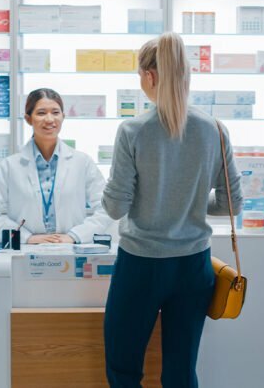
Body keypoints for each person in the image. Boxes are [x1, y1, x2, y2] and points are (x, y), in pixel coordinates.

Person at [102, 32, 243, 388]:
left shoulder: (133, 130)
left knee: (124, 368)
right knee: (181, 373)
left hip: (141, 265)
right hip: (194, 266)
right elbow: (231, 204)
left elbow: (116, 207)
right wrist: (190, 205)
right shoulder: (215, 129)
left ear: (150, 76)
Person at [0, 88, 113, 245]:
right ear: (28, 119)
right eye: (41, 113)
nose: (49, 119)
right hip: (26, 249)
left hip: (70, 249)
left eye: (55, 112)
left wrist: (75, 236)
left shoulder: (82, 162)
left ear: (63, 117)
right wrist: (26, 237)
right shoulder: (10, 166)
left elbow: (106, 208)